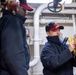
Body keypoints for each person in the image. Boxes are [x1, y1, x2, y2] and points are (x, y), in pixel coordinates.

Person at [0, 0, 33, 75]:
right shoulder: (13, 22)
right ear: (17, 7)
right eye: (24, 9)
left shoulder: (5, 20)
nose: (26, 13)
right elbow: (13, 54)